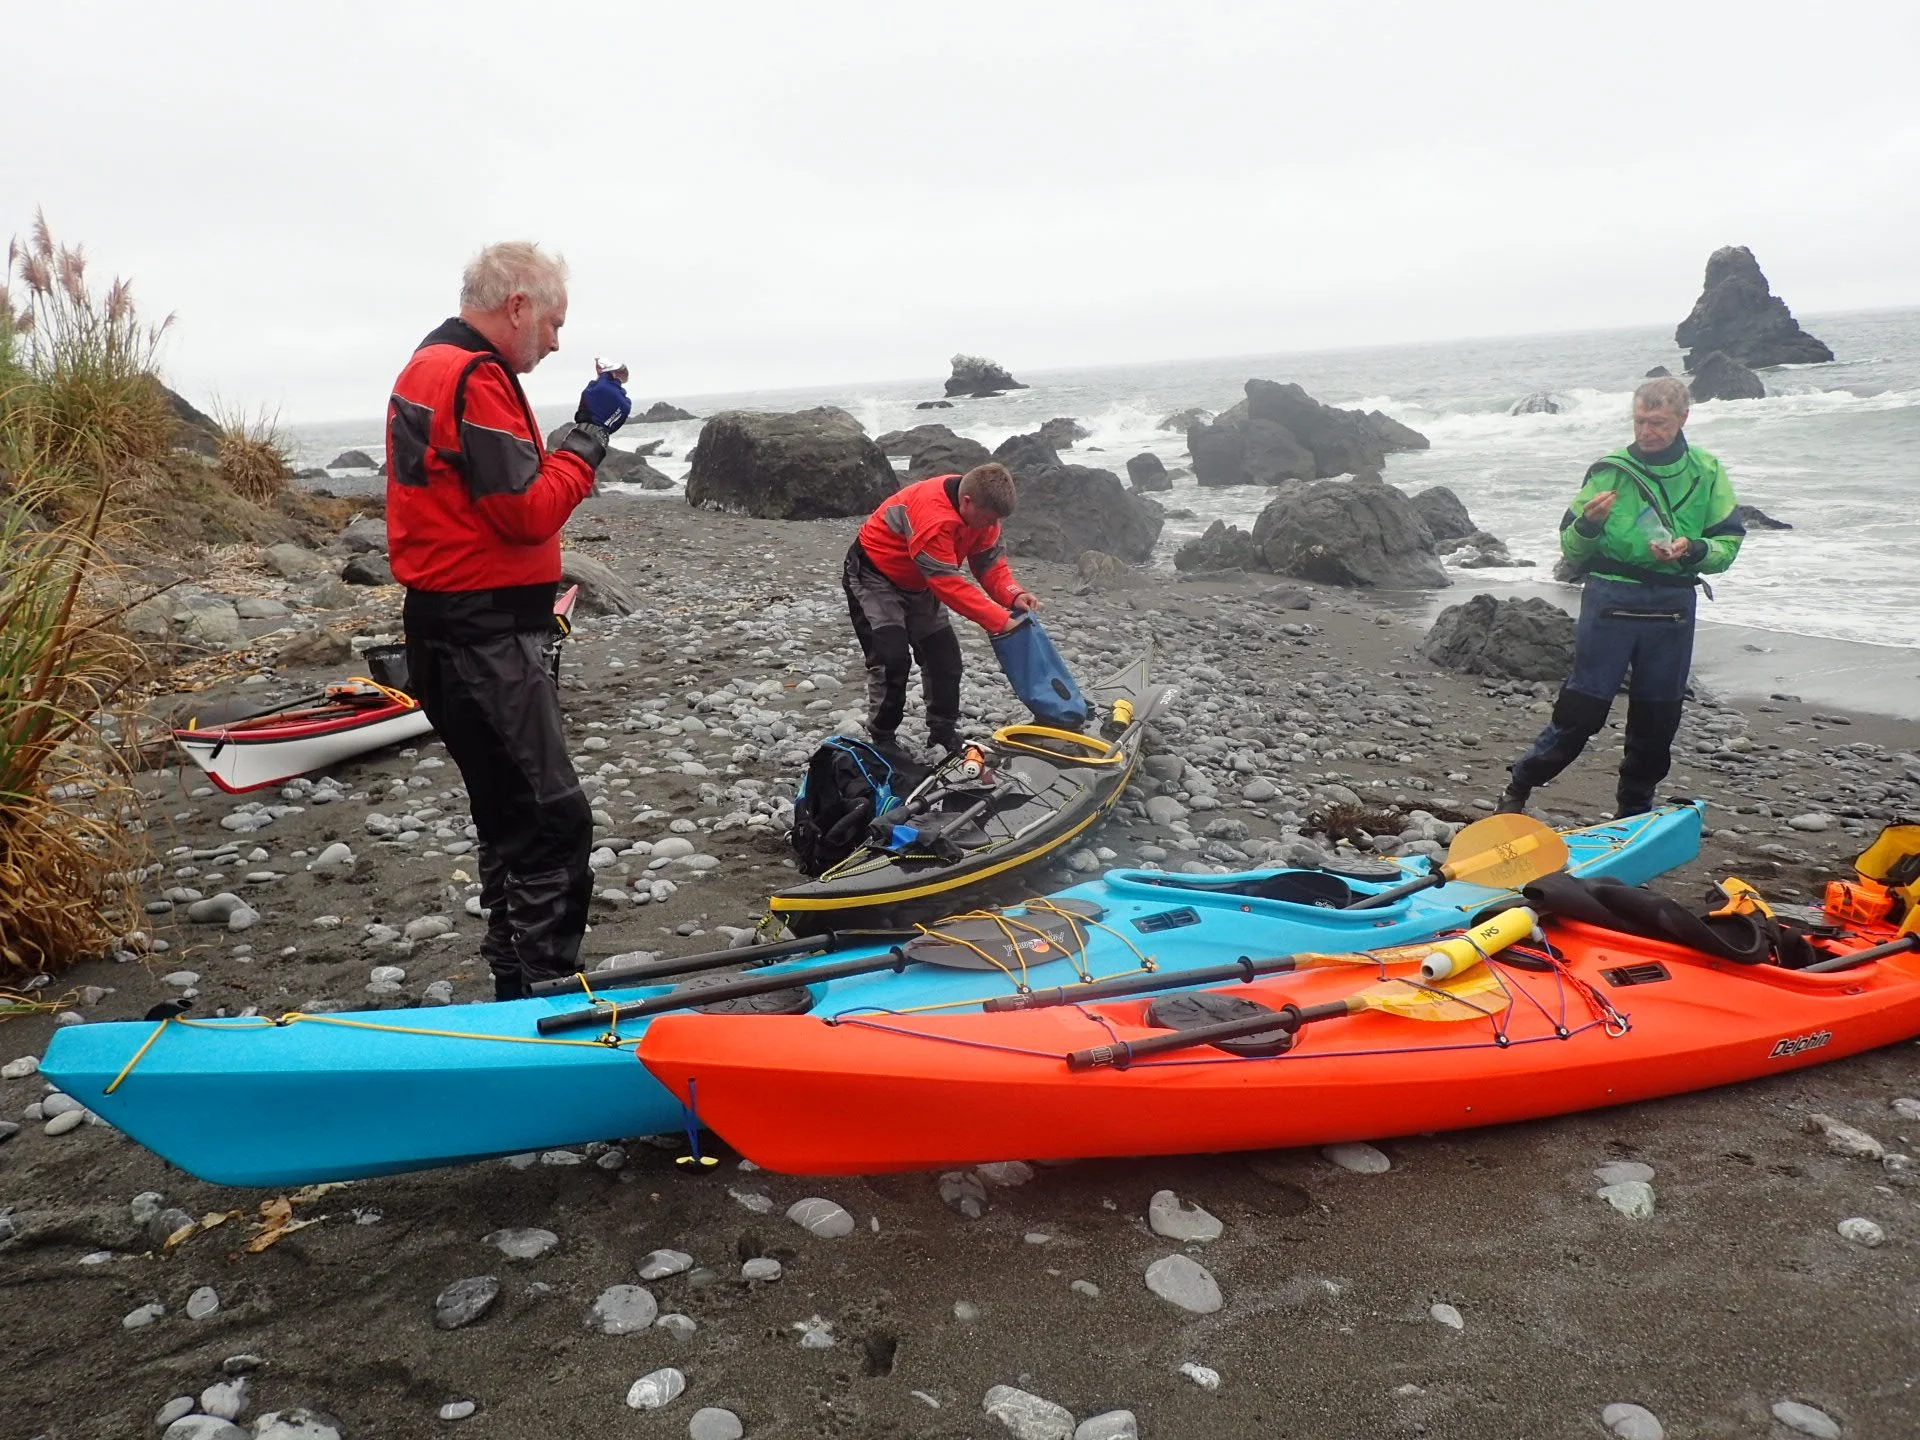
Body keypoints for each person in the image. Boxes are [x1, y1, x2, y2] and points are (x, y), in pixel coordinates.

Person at [385, 241, 608, 1000]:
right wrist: (588, 436)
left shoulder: (430, 363)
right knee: (552, 822)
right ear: (517, 305)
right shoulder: (476, 376)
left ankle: (515, 987)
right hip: (482, 640)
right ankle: (544, 1003)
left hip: (452, 631)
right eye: (553, 321)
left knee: (508, 814)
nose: (555, 339)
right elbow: (526, 510)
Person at [1498, 375, 1744, 818]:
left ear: (1683, 418)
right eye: (1640, 421)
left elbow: (1727, 546)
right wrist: (1588, 525)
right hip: (1610, 599)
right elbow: (1572, 549)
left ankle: (1634, 810)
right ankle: (1519, 787)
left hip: (1672, 604)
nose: (1646, 432)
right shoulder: (1610, 470)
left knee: (1657, 719)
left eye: (1658, 423)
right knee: (1582, 710)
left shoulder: (1707, 471)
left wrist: (1693, 549)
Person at [844, 462, 1037, 756]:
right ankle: (883, 739)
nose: (990, 527)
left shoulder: (985, 515)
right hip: (874, 576)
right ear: (967, 501)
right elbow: (947, 584)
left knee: (944, 659)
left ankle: (942, 731)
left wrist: (1014, 595)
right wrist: (1000, 621)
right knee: (891, 659)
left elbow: (990, 566)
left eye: (995, 521)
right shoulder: (933, 516)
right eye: (987, 519)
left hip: (920, 582)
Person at [576, 358, 632, 433]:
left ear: (614, 374)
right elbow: (614, 427)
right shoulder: (626, 405)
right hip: (601, 438)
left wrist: (602, 374)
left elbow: (586, 394)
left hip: (582, 430)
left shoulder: (602, 385)